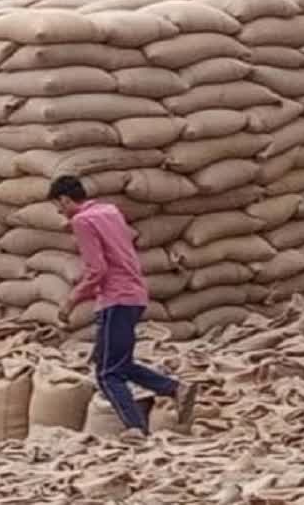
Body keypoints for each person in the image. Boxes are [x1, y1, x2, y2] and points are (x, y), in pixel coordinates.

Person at [50, 175, 197, 436]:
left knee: (107, 374)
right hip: (135, 295)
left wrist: (70, 301)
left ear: (64, 198)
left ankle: (135, 429)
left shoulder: (82, 221)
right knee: (120, 364)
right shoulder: (109, 210)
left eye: (58, 205)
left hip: (116, 299)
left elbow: (97, 270)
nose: (59, 211)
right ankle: (173, 388)